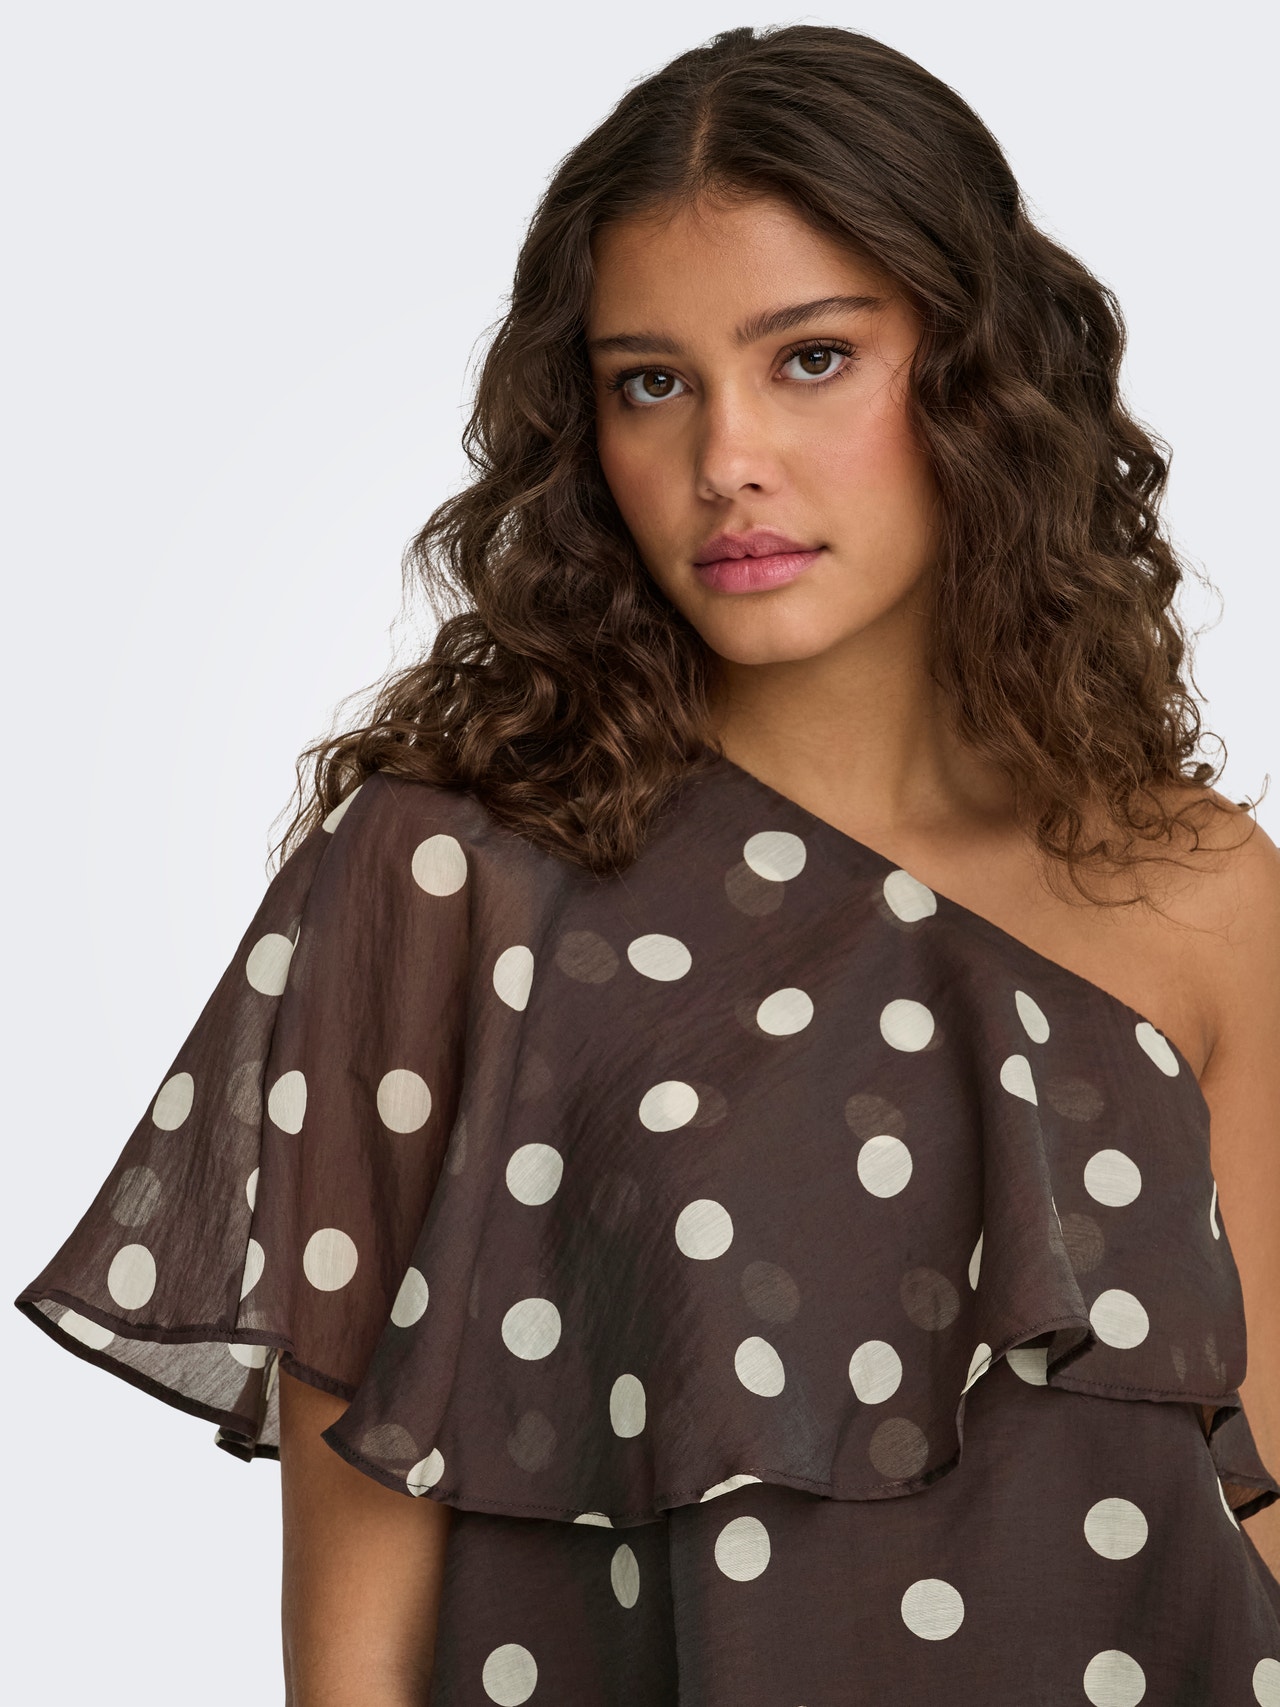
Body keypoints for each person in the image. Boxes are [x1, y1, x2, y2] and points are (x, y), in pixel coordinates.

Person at [14, 22, 1280, 1705]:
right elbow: (355, 1642)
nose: (725, 459)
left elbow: (1263, 1501)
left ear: (983, 373)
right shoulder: (447, 874)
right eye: (652, 382)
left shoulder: (1201, 888)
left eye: (812, 358)